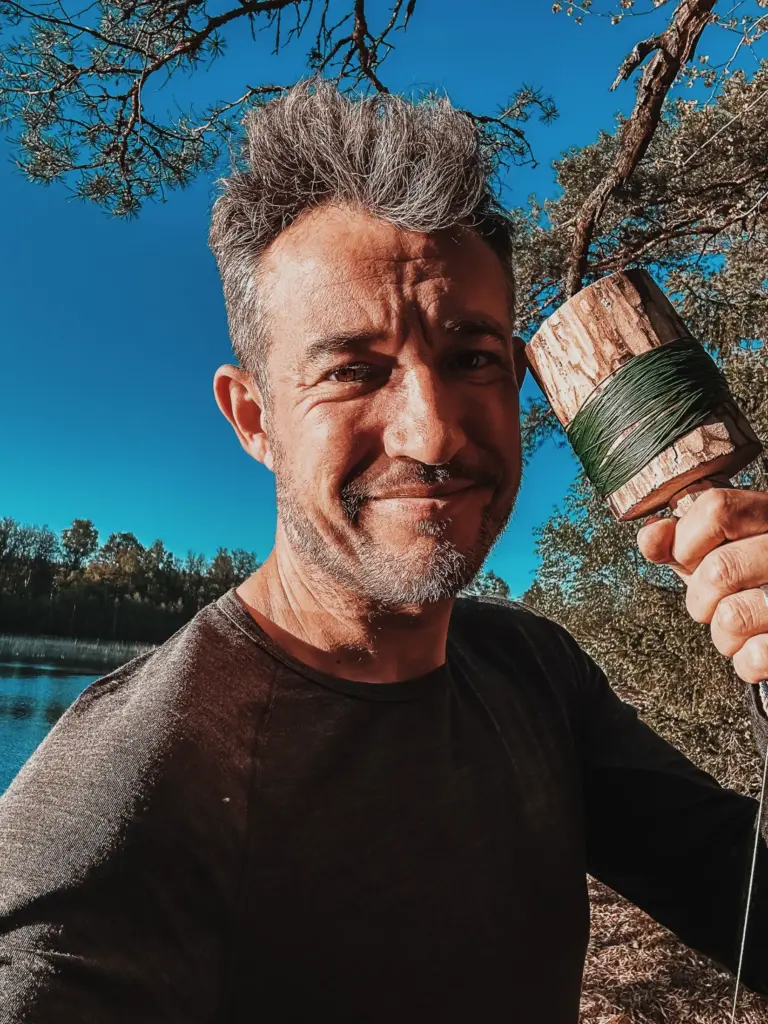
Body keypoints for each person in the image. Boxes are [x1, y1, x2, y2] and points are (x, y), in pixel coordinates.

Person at [2, 81, 768, 1024]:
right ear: (255, 418)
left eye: (473, 357)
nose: (434, 433)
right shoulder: (130, 788)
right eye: (353, 371)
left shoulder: (536, 676)